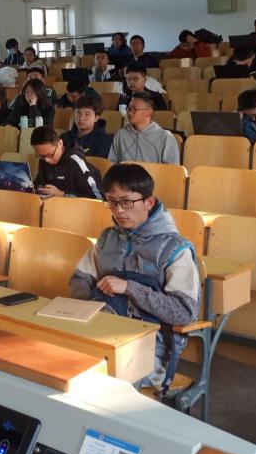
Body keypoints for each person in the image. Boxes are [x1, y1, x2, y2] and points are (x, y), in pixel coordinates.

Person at [69, 164, 199, 390]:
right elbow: (79, 280)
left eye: (126, 202)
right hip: (101, 332)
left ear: (148, 202)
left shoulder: (175, 249)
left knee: (95, 380)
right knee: (59, 361)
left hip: (150, 348)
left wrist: (130, 288)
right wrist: (93, 310)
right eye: (111, 201)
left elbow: (184, 313)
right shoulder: (108, 238)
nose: (118, 210)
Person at [30, 126, 103, 199]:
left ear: (60, 143)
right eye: (41, 156)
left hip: (74, 205)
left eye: (51, 155)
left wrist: (62, 194)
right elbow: (39, 185)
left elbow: (97, 197)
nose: (47, 160)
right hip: (50, 204)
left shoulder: (76, 162)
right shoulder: (43, 161)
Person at [109, 92, 181, 164]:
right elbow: (111, 163)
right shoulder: (121, 134)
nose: (129, 112)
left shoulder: (165, 137)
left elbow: (172, 169)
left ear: (149, 112)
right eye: (128, 108)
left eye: (134, 109)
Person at [61, 94, 114, 158]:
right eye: (78, 113)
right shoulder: (65, 137)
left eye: (87, 114)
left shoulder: (105, 140)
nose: (81, 118)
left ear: (96, 118)